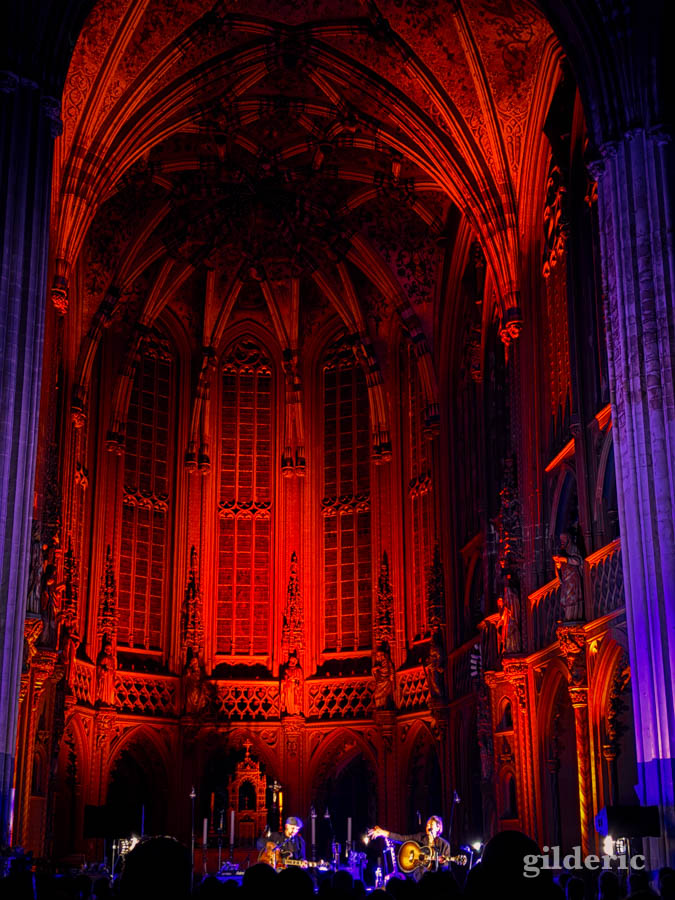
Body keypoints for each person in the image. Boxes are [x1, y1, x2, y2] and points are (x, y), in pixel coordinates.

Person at [369, 816, 451, 881]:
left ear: (438, 827)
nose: (428, 826)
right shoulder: (420, 837)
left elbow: (445, 868)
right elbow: (402, 838)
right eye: (427, 825)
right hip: (419, 878)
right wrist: (382, 832)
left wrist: (440, 862)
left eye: (431, 825)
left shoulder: (444, 845)